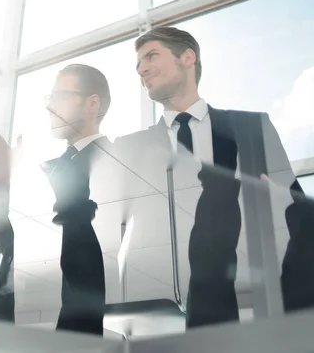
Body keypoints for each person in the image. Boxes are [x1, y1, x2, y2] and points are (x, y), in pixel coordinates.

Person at [114, 26, 314, 328]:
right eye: (138, 64)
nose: (141, 69)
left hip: (253, 301)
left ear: (187, 57)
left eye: (151, 56)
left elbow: (297, 210)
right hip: (161, 315)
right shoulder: (130, 148)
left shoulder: (251, 127)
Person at [0, 64, 112, 338]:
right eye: (50, 98)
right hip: (9, 318)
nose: (50, 106)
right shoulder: (47, 169)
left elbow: (82, 240)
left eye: (61, 96)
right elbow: (12, 244)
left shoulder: (115, 164)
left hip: (65, 323)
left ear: (92, 104)